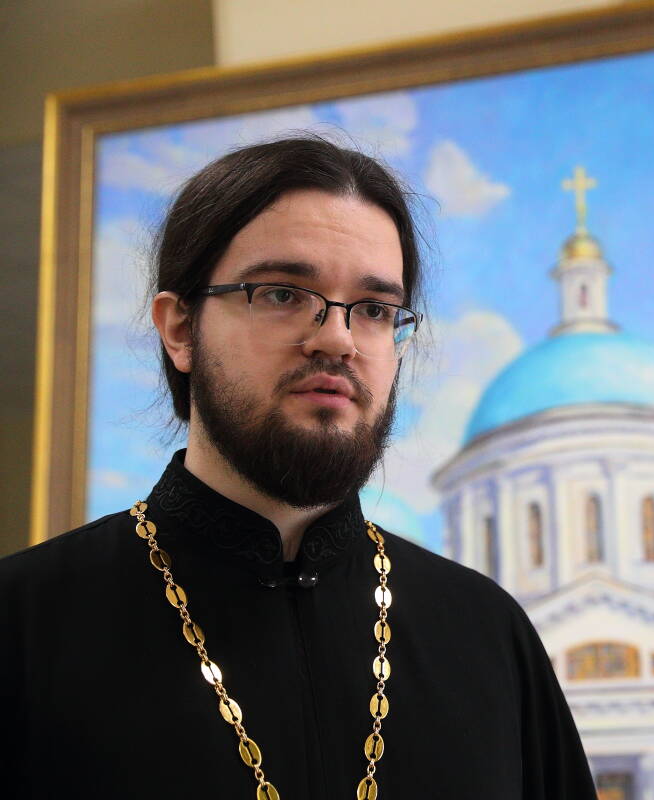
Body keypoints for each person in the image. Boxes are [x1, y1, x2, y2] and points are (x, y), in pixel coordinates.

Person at [0, 136, 599, 800]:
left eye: (374, 310)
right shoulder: (23, 625)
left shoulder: (487, 637)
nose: (337, 338)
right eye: (283, 293)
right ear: (180, 329)